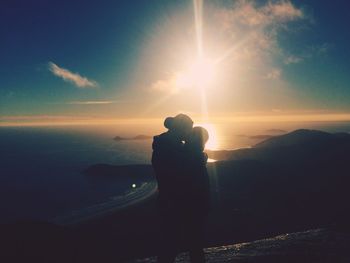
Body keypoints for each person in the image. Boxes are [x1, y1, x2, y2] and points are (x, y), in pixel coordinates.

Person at [152, 115, 210, 263]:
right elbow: (178, 175)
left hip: (174, 204)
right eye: (188, 128)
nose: (189, 132)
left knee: (174, 245)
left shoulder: (169, 145)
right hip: (176, 205)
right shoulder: (171, 148)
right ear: (181, 129)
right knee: (177, 245)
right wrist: (198, 159)